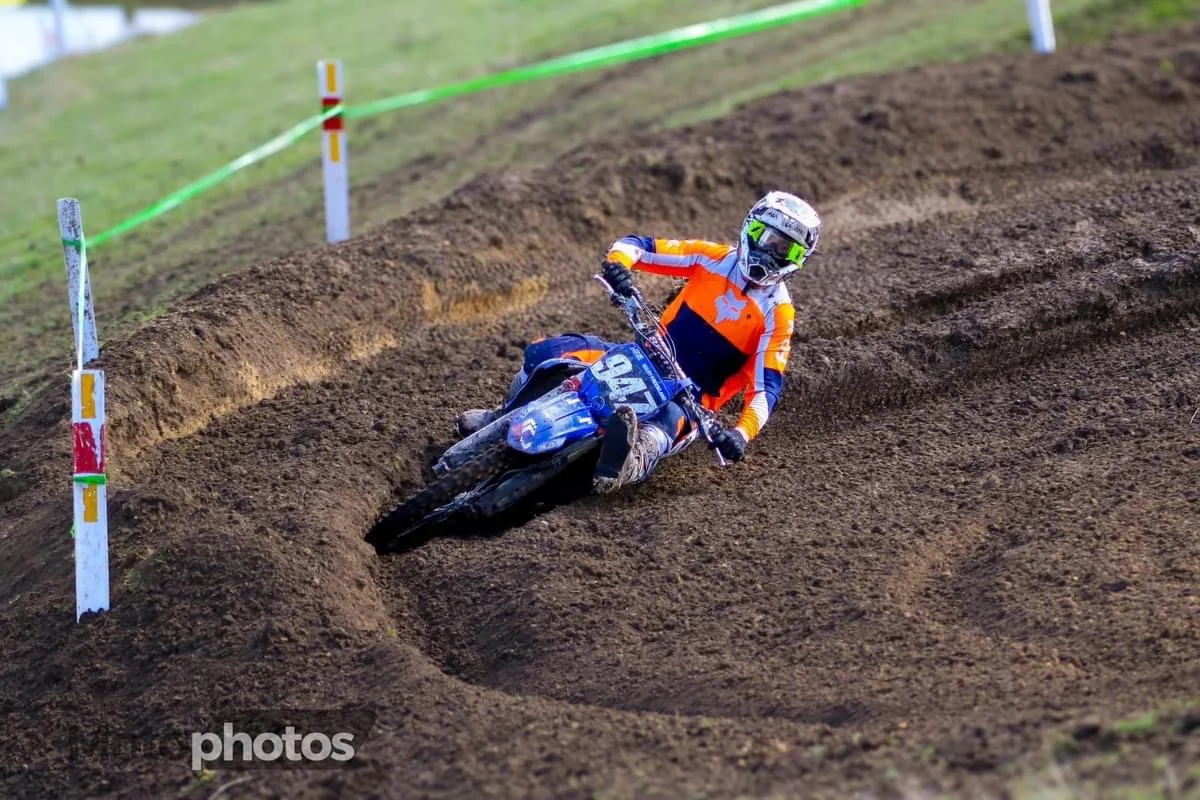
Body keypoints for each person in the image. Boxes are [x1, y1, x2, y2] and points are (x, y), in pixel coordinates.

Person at [456, 190, 821, 494]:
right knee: (546, 353)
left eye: (783, 249)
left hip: (689, 401)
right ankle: (501, 416)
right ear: (748, 228)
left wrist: (741, 434)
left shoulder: (778, 314)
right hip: (640, 358)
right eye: (765, 237)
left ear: (797, 259)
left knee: (656, 433)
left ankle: (623, 467)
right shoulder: (712, 258)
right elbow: (638, 246)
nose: (769, 252)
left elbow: (766, 388)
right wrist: (619, 266)